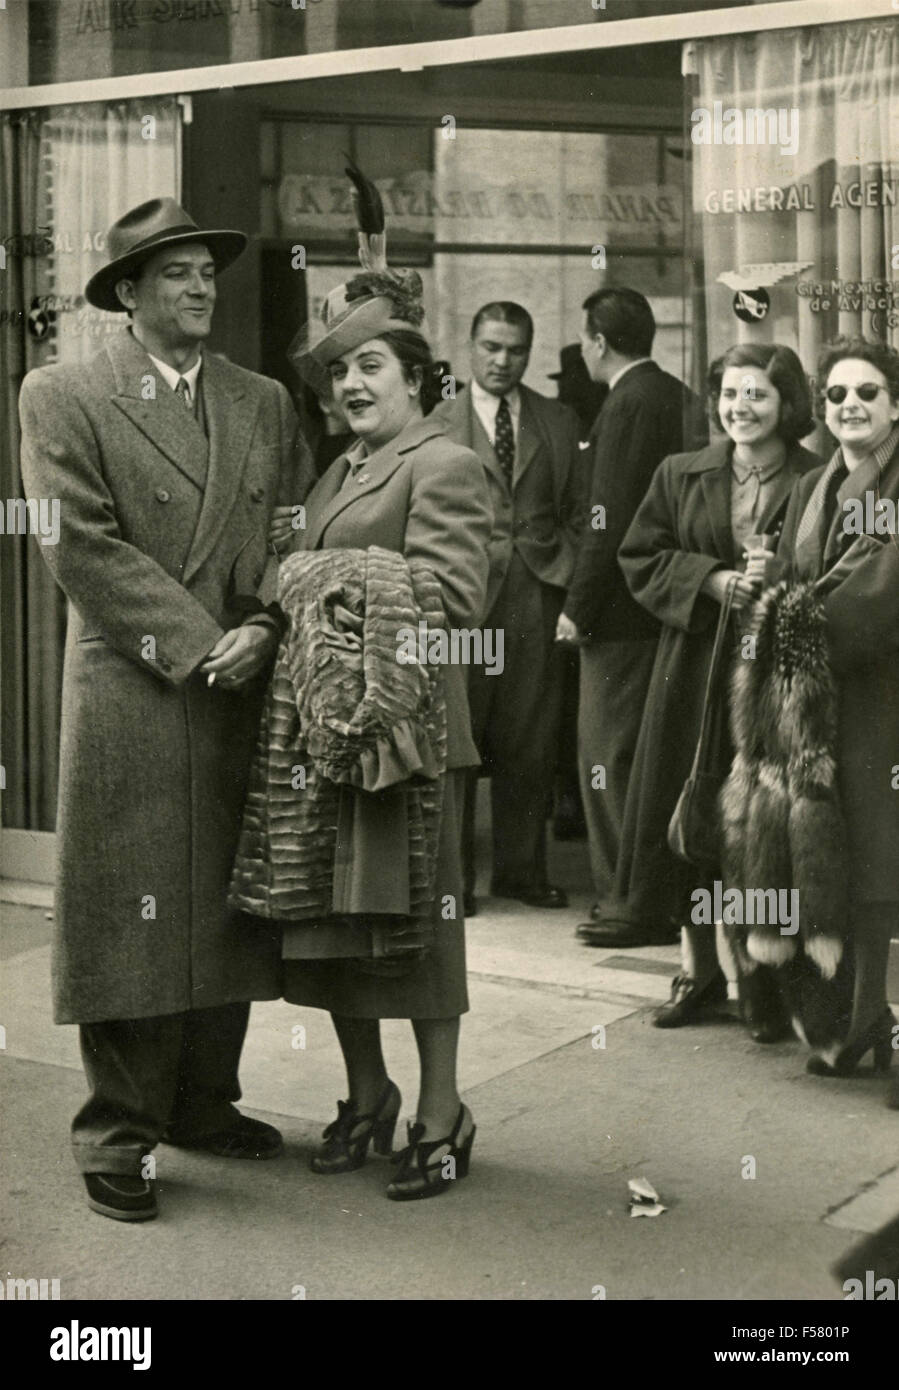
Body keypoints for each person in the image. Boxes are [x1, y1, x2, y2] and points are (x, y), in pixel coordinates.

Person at [18, 197, 311, 1222]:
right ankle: (117, 1136)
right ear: (128, 294)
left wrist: (269, 624)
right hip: (138, 687)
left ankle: (201, 1101)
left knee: (223, 901)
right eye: (174, 273)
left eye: (205, 271)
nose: (198, 288)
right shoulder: (62, 393)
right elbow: (80, 546)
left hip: (240, 676)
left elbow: (292, 525)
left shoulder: (261, 398)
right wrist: (199, 646)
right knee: (132, 911)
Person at [267, 254, 492, 1199]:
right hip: (330, 739)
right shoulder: (338, 470)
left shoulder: (444, 462)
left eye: (370, 368)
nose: (350, 384)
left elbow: (456, 599)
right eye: (339, 371)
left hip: (408, 741)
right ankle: (370, 1094)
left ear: (415, 378)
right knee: (330, 930)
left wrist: (314, 581)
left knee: (417, 934)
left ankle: (443, 1111)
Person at [613, 343, 821, 1029]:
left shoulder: (816, 478)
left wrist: (781, 585)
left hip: (776, 677)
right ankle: (696, 971)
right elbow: (638, 554)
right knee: (688, 819)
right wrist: (710, 579)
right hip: (692, 673)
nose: (741, 408)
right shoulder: (681, 473)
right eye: (730, 395)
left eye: (757, 395)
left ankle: (766, 988)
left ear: (786, 403)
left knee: (766, 828)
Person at [770, 338, 899, 1084]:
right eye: (836, 395)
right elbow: (795, 573)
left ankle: (874, 1022)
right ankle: (856, 1021)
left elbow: (877, 587)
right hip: (824, 701)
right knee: (842, 853)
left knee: (882, 859)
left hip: (883, 692)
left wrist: (788, 620)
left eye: (866, 393)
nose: (848, 406)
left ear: (894, 405)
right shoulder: (816, 484)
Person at [557, 288, 698, 945]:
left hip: (616, 614)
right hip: (661, 610)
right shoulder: (673, 395)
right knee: (649, 761)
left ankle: (625, 900)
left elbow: (603, 517)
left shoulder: (623, 403)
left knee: (607, 760)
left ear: (597, 341)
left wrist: (576, 609)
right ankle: (654, 896)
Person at [433, 303, 581, 912]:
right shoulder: (438, 422)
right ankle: (455, 883)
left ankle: (522, 872)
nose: (502, 361)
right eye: (491, 347)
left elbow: (577, 511)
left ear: (530, 351)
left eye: (515, 350)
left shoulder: (557, 418)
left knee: (532, 737)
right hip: (466, 598)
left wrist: (569, 591)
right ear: (470, 347)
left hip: (536, 595)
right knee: (459, 737)